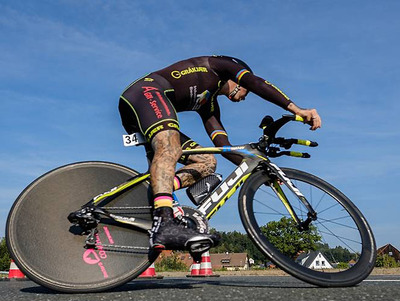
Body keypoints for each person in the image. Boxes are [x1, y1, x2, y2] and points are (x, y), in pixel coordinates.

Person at [118, 55, 321, 254]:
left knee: (207, 161)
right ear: (238, 79)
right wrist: (297, 109)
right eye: (246, 92)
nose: (246, 96)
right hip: (146, 93)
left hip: (148, 108)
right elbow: (257, 83)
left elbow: (223, 145)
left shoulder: (209, 104)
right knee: (169, 146)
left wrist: (257, 167)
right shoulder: (217, 65)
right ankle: (165, 222)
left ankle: (158, 190)